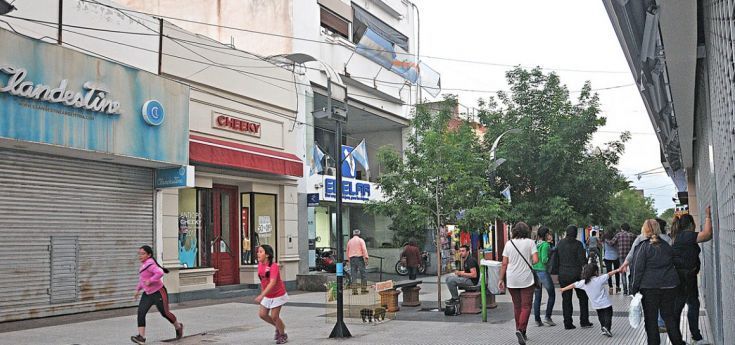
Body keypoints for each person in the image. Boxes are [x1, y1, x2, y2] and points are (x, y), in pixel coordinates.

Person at [629, 219, 684, 345]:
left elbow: (637, 269)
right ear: (658, 229)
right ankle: (678, 342)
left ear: (644, 230)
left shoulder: (642, 246)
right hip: (670, 286)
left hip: (649, 288)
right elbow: (677, 262)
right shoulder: (667, 245)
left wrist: (634, 288)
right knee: (669, 318)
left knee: (651, 320)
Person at [671, 206, 714, 345]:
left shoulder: (678, 236)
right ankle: (694, 337)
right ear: (691, 225)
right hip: (686, 277)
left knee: (681, 306)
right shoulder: (686, 235)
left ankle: (678, 338)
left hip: (682, 277)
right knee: (690, 305)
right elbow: (707, 235)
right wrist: (708, 216)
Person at [131, 245, 183, 345]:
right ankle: (141, 337)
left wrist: (150, 281)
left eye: (143, 254)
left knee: (165, 313)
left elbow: (160, 272)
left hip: (159, 292)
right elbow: (142, 280)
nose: (140, 256)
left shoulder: (150, 264)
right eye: (139, 254)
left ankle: (178, 326)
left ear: (149, 255)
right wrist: (137, 290)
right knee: (141, 312)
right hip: (148, 294)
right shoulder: (144, 264)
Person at [498, 222, 539, 345]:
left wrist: (501, 279)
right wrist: (528, 260)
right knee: (526, 306)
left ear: (514, 231)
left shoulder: (508, 244)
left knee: (517, 306)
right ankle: (521, 329)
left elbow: (504, 263)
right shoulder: (530, 243)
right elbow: (536, 260)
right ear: (526, 231)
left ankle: (520, 331)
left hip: (512, 279)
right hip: (526, 279)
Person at [560, 263, 623, 337]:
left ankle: (603, 328)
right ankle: (607, 328)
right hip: (606, 304)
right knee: (608, 316)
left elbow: (574, 284)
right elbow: (609, 274)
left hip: (596, 305)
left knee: (601, 317)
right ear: (595, 272)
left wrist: (563, 289)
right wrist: (618, 270)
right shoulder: (599, 279)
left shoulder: (584, 283)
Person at [557, 225, 593, 330]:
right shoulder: (578, 244)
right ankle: (584, 321)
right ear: (575, 233)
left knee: (566, 299)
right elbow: (583, 261)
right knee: (583, 298)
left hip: (563, 274)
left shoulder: (560, 243)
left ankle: (568, 323)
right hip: (577, 274)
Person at [255, 244, 289, 344]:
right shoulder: (260, 265)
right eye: (258, 251)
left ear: (267, 255)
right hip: (267, 295)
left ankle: (283, 335)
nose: (258, 253)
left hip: (278, 294)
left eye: (261, 252)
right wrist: (263, 294)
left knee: (274, 316)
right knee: (262, 315)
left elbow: (272, 282)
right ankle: (278, 327)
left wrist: (261, 295)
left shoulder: (273, 266)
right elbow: (263, 282)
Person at [532, 226, 556, 327]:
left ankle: (537, 320)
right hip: (542, 271)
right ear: (546, 234)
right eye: (549, 233)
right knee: (552, 294)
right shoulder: (546, 245)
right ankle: (548, 317)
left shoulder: (535, 243)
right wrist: (551, 250)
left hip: (534, 271)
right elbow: (544, 259)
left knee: (537, 296)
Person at [605, 223, 636, 294]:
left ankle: (625, 291)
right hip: (631, 256)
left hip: (621, 256)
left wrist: (606, 240)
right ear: (629, 229)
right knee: (632, 272)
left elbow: (611, 243)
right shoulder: (632, 235)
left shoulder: (618, 235)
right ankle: (631, 290)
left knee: (623, 273)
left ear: (622, 228)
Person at [346, 229, 369, 293]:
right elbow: (364, 249)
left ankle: (354, 290)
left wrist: (348, 260)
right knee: (363, 274)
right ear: (359, 234)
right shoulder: (361, 240)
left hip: (352, 259)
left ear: (353, 234)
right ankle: (363, 289)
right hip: (359, 258)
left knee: (353, 275)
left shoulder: (350, 241)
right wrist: (366, 258)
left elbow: (347, 251)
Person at [602, 231, 621, 295]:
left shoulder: (605, 240)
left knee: (609, 273)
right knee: (617, 272)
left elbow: (604, 249)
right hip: (616, 257)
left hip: (607, 257)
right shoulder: (616, 240)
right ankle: (618, 287)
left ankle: (610, 288)